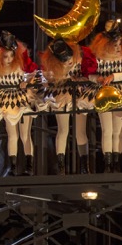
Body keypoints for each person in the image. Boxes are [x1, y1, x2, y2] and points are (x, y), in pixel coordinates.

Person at [80, 20, 122, 173]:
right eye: (115, 44)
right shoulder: (97, 56)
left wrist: (114, 76)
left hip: (120, 91)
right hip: (102, 92)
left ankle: (116, 163)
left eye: (119, 44)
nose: (118, 47)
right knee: (107, 129)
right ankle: (107, 163)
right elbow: (88, 74)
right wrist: (97, 78)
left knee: (118, 130)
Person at [0, 31, 37, 176]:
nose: (8, 59)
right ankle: (12, 167)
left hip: (22, 100)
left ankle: (29, 167)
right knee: (12, 135)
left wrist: (27, 82)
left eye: (11, 56)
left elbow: (34, 74)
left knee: (25, 135)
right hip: (6, 101)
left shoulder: (20, 65)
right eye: (5, 56)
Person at [34, 39, 82, 175]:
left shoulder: (77, 62)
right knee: (63, 129)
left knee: (80, 131)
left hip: (79, 96)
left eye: (70, 58)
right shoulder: (53, 71)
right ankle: (61, 163)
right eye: (65, 60)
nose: (69, 61)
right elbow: (43, 77)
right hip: (62, 95)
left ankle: (83, 163)